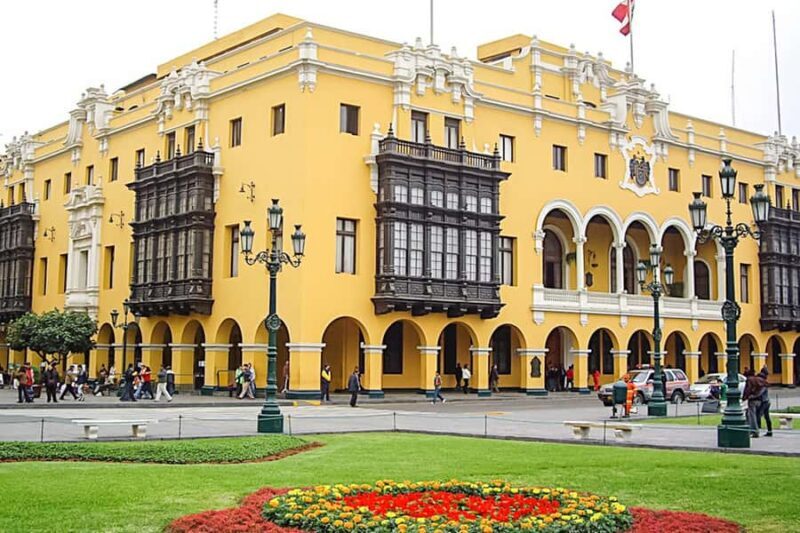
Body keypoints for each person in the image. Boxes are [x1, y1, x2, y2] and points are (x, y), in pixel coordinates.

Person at [742, 367, 763, 438]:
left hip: (752, 400)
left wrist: (744, 397)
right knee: (751, 415)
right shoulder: (759, 379)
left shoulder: (749, 380)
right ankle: (750, 430)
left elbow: (747, 389)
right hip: (760, 400)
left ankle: (754, 431)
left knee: (751, 415)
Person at [755, 367, 773, 437]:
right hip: (766, 401)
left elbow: (761, 392)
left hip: (764, 401)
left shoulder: (762, 382)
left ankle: (757, 430)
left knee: (758, 415)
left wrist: (754, 396)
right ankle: (769, 431)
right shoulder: (764, 381)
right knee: (766, 416)